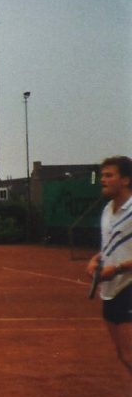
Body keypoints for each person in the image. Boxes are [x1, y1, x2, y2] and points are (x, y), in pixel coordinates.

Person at [87, 155, 132, 374]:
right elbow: (109, 247)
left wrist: (116, 269)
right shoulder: (107, 211)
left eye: (109, 175)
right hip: (110, 291)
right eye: (102, 175)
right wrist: (95, 260)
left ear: (125, 180)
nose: (103, 180)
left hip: (128, 287)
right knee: (123, 355)